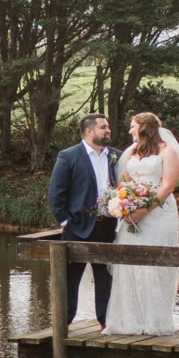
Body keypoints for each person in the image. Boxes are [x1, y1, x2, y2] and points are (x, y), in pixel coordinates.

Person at [107, 111, 179, 336]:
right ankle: (130, 320)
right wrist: (125, 204)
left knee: (154, 266)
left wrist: (143, 210)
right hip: (133, 214)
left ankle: (156, 320)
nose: (130, 131)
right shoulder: (131, 152)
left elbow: (168, 187)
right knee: (129, 264)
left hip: (159, 214)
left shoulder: (167, 152)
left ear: (145, 127)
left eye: (133, 126)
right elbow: (124, 183)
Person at [47, 113, 119, 327]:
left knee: (105, 279)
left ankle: (106, 322)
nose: (108, 130)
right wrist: (65, 222)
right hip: (77, 228)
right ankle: (63, 325)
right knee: (70, 281)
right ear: (89, 131)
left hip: (107, 227)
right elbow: (56, 192)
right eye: (103, 127)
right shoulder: (68, 156)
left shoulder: (116, 156)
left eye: (108, 127)